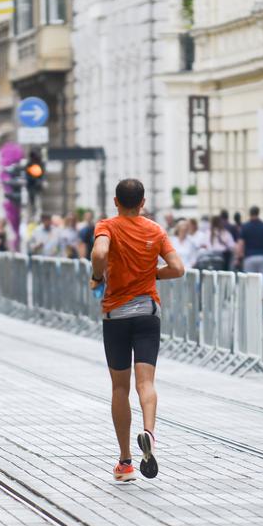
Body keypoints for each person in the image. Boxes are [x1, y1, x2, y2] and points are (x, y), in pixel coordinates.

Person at [89, 179, 186, 482]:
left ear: (116, 201)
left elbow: (99, 253)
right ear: (143, 203)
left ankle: (125, 461)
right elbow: (178, 268)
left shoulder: (108, 226)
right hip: (147, 312)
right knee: (147, 383)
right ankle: (150, 433)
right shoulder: (155, 230)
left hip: (115, 315)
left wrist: (97, 276)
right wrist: (151, 273)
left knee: (120, 387)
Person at [236, 206, 263, 314]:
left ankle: (253, 302)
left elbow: (241, 244)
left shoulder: (245, 227)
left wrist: (238, 256)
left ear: (250, 213)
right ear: (258, 213)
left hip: (249, 257)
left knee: (250, 280)